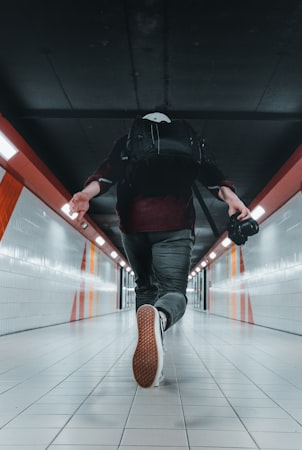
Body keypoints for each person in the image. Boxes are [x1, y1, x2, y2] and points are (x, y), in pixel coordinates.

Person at [68, 112, 251, 388]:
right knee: (173, 292)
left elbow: (106, 175)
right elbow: (212, 177)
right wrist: (233, 199)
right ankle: (161, 318)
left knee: (145, 288)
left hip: (133, 227)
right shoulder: (188, 144)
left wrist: (85, 195)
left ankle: (154, 341)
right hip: (174, 226)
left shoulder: (128, 142)